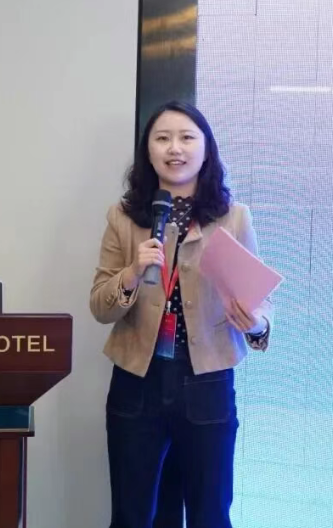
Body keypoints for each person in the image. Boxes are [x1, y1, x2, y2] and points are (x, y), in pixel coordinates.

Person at [89, 100, 274, 528]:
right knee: (133, 515)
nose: (175, 148)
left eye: (187, 138)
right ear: (148, 151)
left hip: (206, 382)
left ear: (206, 150)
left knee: (210, 514)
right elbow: (99, 306)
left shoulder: (233, 218)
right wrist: (131, 273)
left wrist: (257, 324)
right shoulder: (124, 217)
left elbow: (260, 301)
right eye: (163, 138)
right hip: (137, 383)